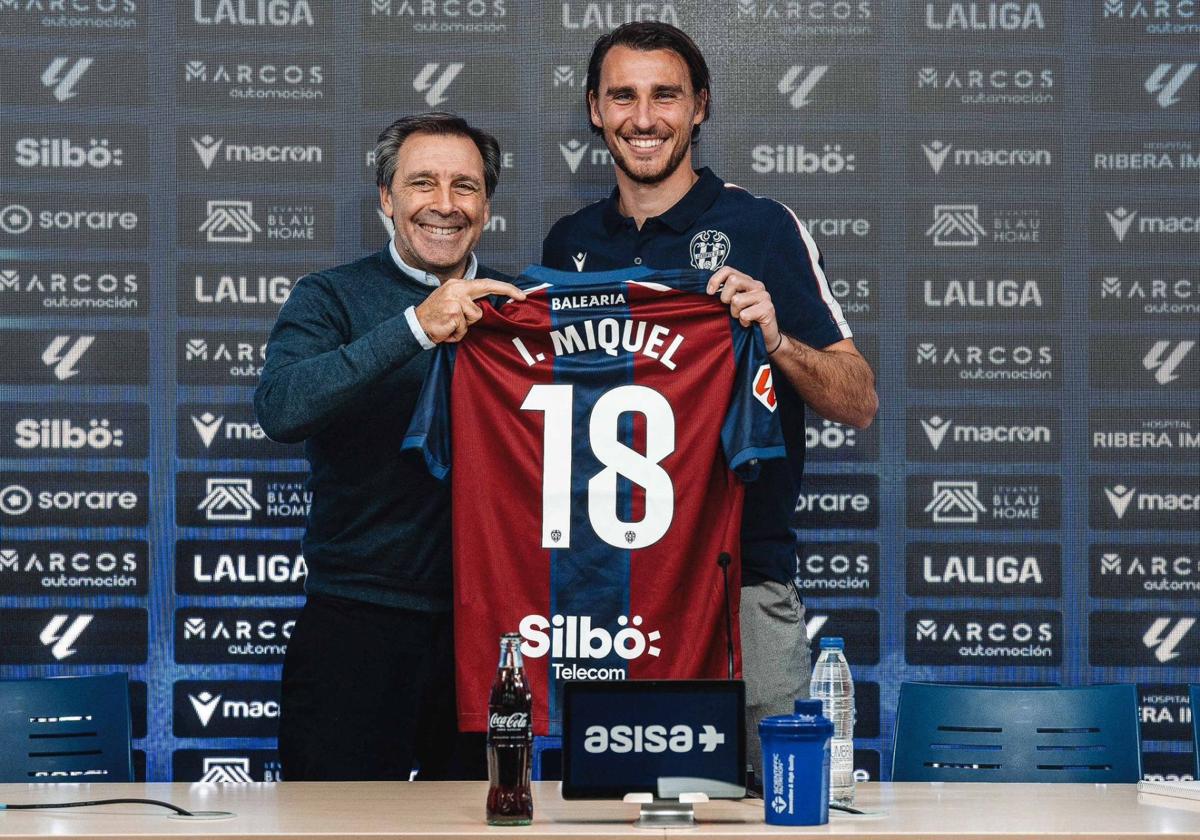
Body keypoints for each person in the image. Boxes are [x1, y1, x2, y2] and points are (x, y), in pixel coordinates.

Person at [540, 22, 878, 784]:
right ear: (595, 110)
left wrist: (776, 337)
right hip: (607, 590)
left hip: (741, 581)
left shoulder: (760, 226)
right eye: (623, 96)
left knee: (780, 800)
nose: (644, 116)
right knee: (607, 808)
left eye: (666, 95)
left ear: (701, 108)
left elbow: (858, 400)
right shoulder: (568, 244)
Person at [255, 112, 525, 781]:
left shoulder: (522, 306)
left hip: (485, 627)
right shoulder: (330, 296)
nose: (444, 204)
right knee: (331, 826)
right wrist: (415, 326)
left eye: (464, 186)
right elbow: (283, 408)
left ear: (486, 205)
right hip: (356, 619)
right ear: (387, 199)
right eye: (422, 183)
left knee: (478, 822)